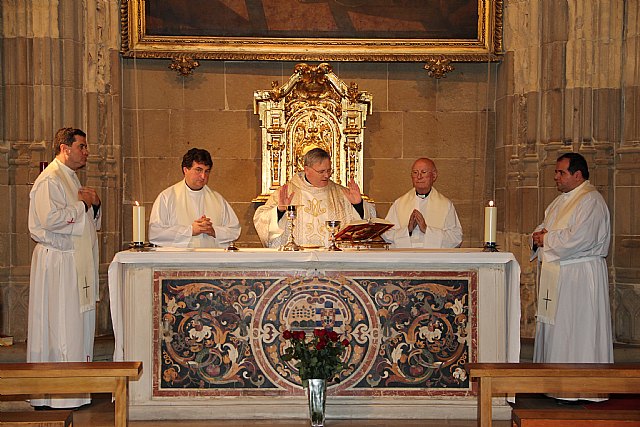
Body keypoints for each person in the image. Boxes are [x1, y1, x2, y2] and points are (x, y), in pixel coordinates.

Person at [28, 127, 101, 409]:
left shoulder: (70, 178)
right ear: (64, 147)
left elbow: (86, 221)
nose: (86, 152)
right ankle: (57, 393)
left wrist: (93, 205)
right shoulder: (50, 180)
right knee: (61, 324)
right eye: (82, 146)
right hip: (58, 263)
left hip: (73, 262)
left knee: (74, 325)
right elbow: (50, 220)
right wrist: (83, 204)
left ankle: (75, 391)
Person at [530, 153, 612, 400]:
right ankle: (554, 384)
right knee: (558, 328)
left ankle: (580, 388)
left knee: (577, 329)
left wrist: (546, 239)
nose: (556, 176)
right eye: (556, 172)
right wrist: (538, 238)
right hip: (559, 274)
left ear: (577, 175)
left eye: (560, 172)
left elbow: (581, 238)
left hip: (579, 275)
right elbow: (543, 229)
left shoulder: (591, 201)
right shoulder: (559, 202)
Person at [254, 147, 376, 248]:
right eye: (321, 171)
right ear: (306, 169)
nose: (326, 175)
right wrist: (279, 210)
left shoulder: (341, 192)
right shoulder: (287, 191)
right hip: (297, 260)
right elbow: (261, 219)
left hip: (332, 261)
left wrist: (358, 205)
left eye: (329, 171)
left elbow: (366, 225)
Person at [149, 148, 241, 248]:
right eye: (198, 170)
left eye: (207, 171)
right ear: (185, 170)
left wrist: (213, 231)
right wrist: (190, 230)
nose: (203, 176)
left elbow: (234, 231)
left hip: (211, 260)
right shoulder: (167, 197)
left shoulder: (217, 200)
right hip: (179, 261)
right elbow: (155, 234)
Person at [383, 157, 462, 248]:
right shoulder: (399, 204)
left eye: (423, 172)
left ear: (434, 175)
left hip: (433, 259)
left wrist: (427, 230)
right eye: (415, 172)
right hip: (405, 258)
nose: (419, 176)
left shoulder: (445, 205)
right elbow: (386, 234)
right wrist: (407, 230)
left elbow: (456, 238)